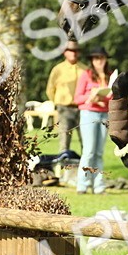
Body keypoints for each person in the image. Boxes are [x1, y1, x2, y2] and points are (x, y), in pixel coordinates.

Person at [73, 45, 113, 194]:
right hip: (89, 114)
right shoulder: (86, 75)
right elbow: (77, 98)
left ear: (105, 59)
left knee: (99, 152)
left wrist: (102, 99)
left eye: (101, 58)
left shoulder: (110, 76)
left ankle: (98, 185)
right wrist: (92, 97)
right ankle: (82, 184)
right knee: (89, 150)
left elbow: (113, 97)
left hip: (104, 114)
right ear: (92, 60)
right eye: (96, 58)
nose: (99, 61)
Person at [45, 40, 83, 152]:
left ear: (79, 52)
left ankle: (86, 163)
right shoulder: (58, 69)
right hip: (64, 109)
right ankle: (64, 161)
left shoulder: (85, 69)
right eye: (70, 50)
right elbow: (50, 89)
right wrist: (57, 103)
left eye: (75, 51)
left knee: (85, 140)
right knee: (64, 141)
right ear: (64, 52)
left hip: (82, 109)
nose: (73, 53)